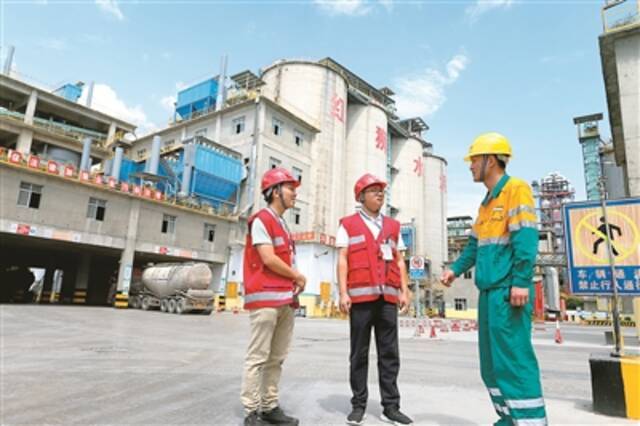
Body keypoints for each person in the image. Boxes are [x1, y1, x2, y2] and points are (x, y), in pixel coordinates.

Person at [441, 133, 547, 425]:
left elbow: (525, 237)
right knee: (491, 366)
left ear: (490, 160)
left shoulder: (516, 189)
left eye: (474, 160)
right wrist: (454, 269)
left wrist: (521, 281)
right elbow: (474, 247)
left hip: (507, 292)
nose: (470, 165)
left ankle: (530, 422)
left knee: (514, 361)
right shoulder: (486, 203)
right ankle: (509, 418)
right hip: (489, 294)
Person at [337, 173, 413, 426]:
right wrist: (342, 292)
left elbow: (400, 260)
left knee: (389, 353)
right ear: (361, 197)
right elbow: (343, 259)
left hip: (388, 297)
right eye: (373, 191)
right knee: (359, 353)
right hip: (360, 299)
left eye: (381, 190)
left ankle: (391, 407)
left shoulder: (392, 226)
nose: (380, 194)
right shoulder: (348, 224)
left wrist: (405, 289)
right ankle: (358, 405)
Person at [240, 167, 306, 426]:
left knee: (277, 357)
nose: (294, 195)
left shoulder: (282, 224)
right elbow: (268, 258)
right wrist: (298, 276)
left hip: (284, 300)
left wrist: (293, 283)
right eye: (290, 188)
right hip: (265, 299)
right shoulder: (261, 220)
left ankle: (269, 406)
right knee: (258, 357)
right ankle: (251, 411)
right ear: (275, 191)